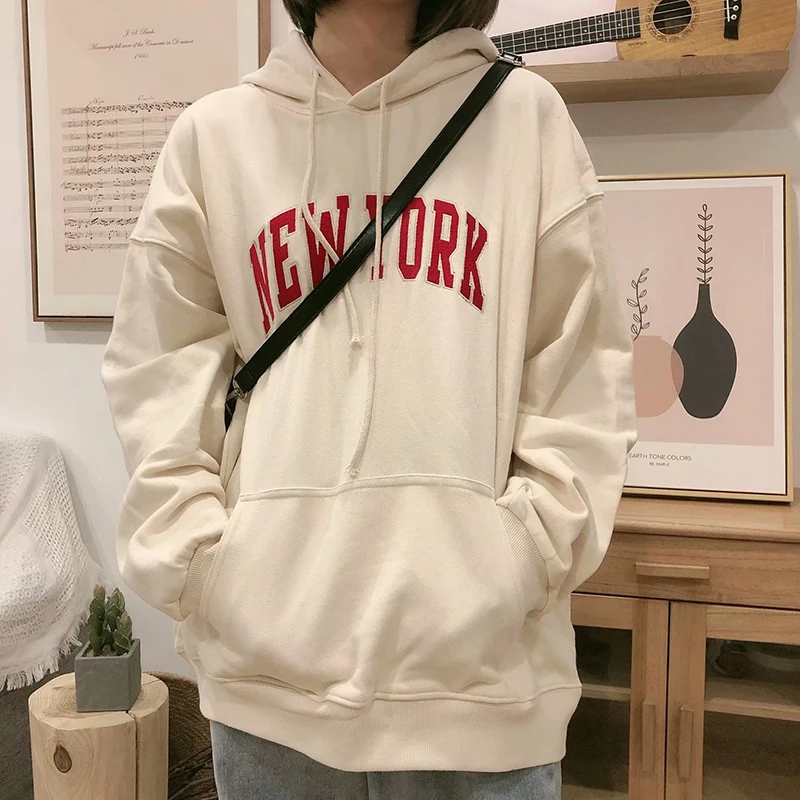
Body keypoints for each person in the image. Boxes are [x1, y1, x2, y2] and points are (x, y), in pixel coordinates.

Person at [101, 0, 637, 797]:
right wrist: (206, 568)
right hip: (268, 701)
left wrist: (518, 558)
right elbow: (157, 374)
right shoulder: (214, 140)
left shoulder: (526, 121)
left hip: (483, 699)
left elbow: (580, 385)